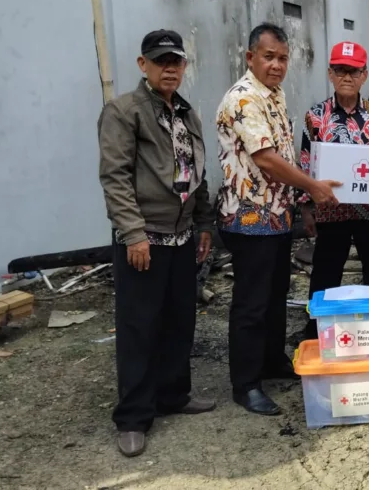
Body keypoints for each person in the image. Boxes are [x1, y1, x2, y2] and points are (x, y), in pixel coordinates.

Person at [98, 29, 216, 458]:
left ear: (184, 66)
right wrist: (133, 234)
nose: (169, 68)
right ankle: (133, 416)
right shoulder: (123, 111)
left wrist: (204, 223)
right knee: (139, 327)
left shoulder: (187, 114)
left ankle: (173, 394)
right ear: (142, 64)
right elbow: (115, 177)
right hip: (144, 239)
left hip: (182, 237)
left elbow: (197, 172)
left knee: (179, 321)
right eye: (160, 61)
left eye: (176, 61)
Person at [215, 23, 341, 416]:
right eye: (268, 57)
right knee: (251, 303)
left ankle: (270, 360)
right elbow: (266, 159)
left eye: (283, 58)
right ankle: (246, 384)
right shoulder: (244, 98)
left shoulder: (274, 94)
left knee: (274, 296)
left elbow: (284, 153)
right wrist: (314, 187)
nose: (276, 65)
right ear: (250, 57)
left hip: (276, 216)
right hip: (249, 218)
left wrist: (299, 203)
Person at [299, 41, 369, 338]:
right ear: (330, 73)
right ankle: (316, 332)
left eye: (354, 71)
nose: (347, 77)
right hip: (331, 212)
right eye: (340, 70)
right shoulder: (315, 117)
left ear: (364, 75)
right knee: (325, 273)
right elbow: (305, 163)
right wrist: (306, 208)